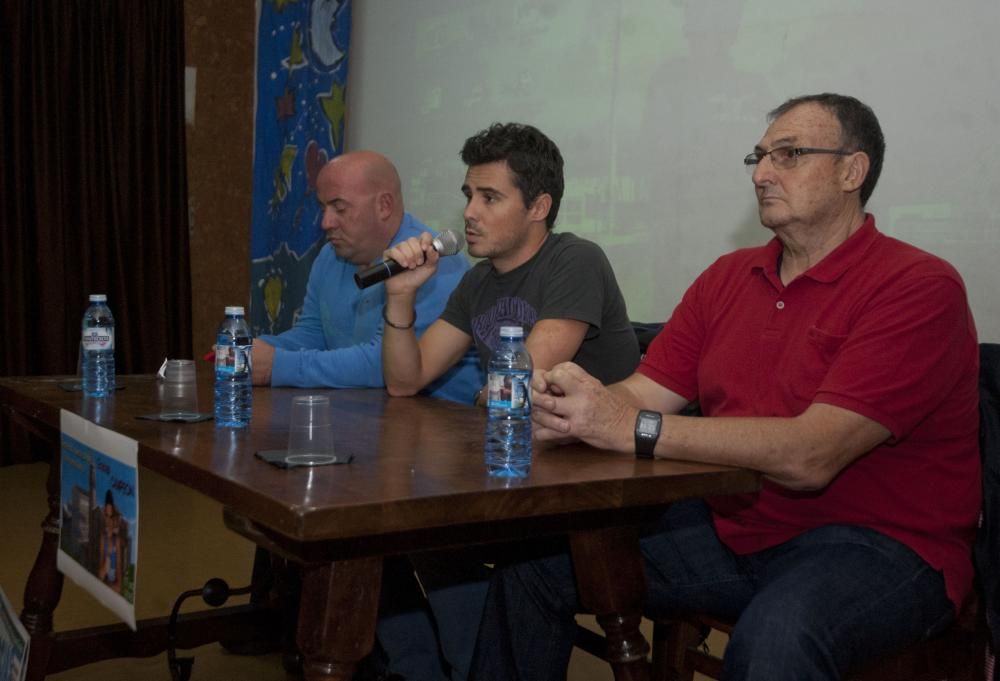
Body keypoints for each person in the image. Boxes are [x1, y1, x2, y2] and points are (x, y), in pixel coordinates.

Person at [470, 94, 981, 681]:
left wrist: (625, 426)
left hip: (883, 547)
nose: (762, 173)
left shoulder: (917, 286)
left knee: (778, 636)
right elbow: (641, 394)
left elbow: (811, 454)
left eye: (789, 155)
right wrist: (566, 405)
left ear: (851, 171)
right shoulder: (728, 277)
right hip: (739, 526)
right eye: (758, 157)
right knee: (530, 567)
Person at [377, 122, 641, 681]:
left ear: (539, 205)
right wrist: (400, 296)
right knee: (385, 531)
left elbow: (527, 380)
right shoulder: (478, 283)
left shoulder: (575, 259)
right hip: (523, 466)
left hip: (594, 477)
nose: (469, 211)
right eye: (468, 195)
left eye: (489, 197)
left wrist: (487, 394)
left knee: (431, 532)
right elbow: (408, 378)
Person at [250, 150, 482, 404]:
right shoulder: (330, 255)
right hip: (367, 413)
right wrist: (252, 351)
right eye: (323, 208)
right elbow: (313, 334)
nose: (326, 222)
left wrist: (278, 365)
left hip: (442, 422)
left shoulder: (434, 262)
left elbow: (382, 364)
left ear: (384, 205)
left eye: (339, 208)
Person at [98, 489, 123, 593]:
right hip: (104, 577)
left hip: (113, 577)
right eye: (107, 517)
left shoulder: (116, 540)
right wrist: (102, 571)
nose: (109, 521)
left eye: (111, 517)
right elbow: (101, 560)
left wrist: (119, 584)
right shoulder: (103, 538)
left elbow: (118, 563)